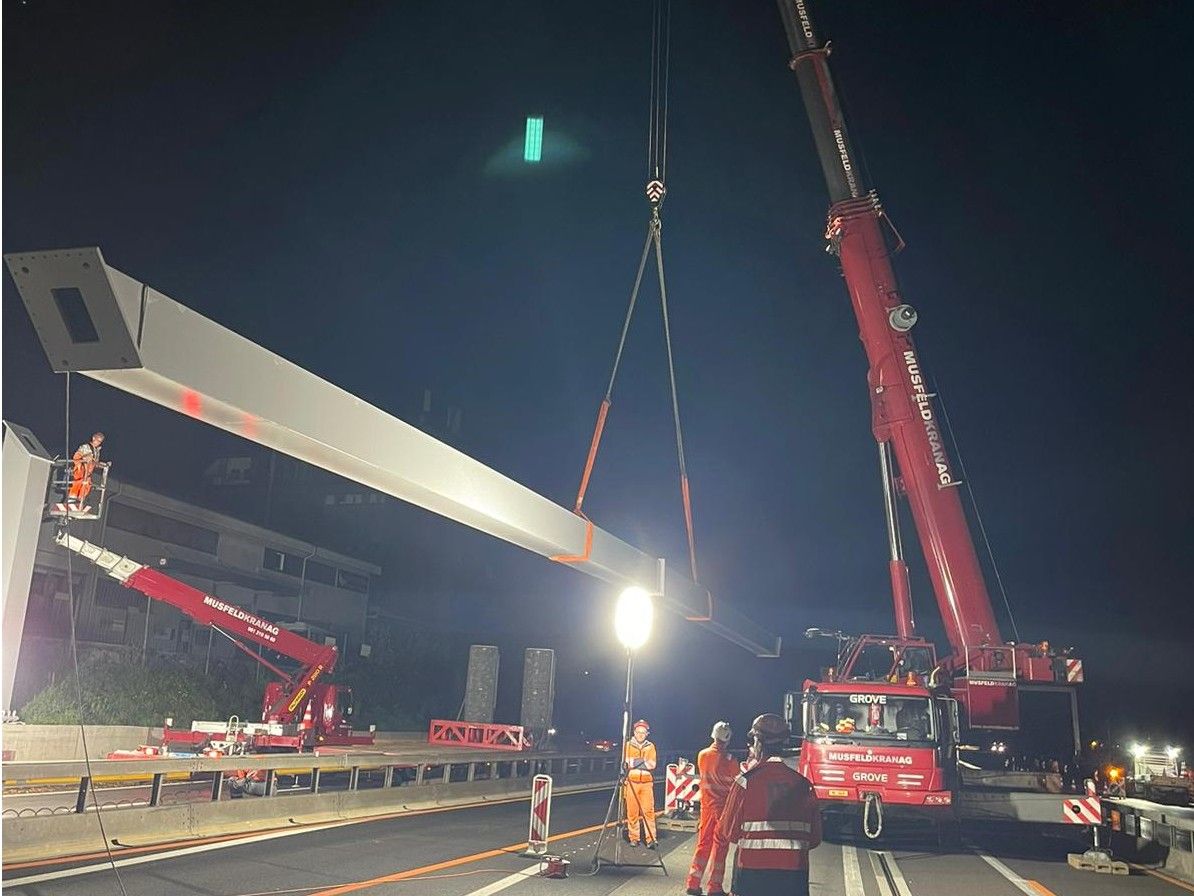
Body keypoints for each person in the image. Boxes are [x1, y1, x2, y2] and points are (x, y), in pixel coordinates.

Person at [719, 713, 822, 896]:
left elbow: (728, 832)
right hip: (793, 879)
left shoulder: (745, 783)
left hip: (751, 877)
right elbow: (814, 839)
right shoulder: (804, 785)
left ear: (758, 743)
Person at [686, 720, 740, 896]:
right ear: (728, 739)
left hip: (706, 808)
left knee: (703, 845)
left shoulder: (702, 755)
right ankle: (714, 887)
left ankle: (693, 884)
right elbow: (739, 783)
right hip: (723, 809)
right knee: (720, 846)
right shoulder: (730, 761)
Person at [623, 719, 657, 848]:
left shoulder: (651, 746)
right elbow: (626, 763)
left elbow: (652, 764)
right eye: (638, 732)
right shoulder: (628, 745)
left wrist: (635, 762)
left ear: (647, 733)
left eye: (643, 732)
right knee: (632, 812)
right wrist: (643, 762)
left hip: (646, 783)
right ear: (634, 732)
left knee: (648, 812)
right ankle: (634, 838)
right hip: (631, 783)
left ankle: (651, 839)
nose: (640, 735)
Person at [67, 431, 105, 509]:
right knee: (77, 483)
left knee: (87, 485)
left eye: (100, 441)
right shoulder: (85, 447)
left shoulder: (97, 451)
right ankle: (71, 501)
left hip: (89, 471)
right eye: (97, 440)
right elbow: (76, 456)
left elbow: (95, 462)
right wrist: (83, 460)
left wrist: (103, 464)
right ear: (93, 438)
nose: (98, 443)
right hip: (81, 469)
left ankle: (80, 500)